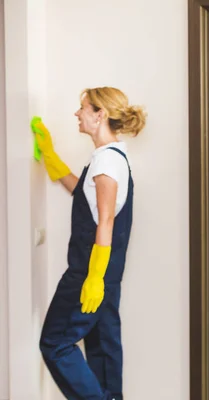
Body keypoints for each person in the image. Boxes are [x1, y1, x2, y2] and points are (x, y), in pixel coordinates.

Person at [32, 87, 146, 400]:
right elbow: (87, 198)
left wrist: (93, 278)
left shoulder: (107, 163)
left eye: (82, 108)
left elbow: (105, 220)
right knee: (102, 347)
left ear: (100, 115)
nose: (76, 113)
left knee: (55, 343)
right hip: (106, 274)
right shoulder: (111, 157)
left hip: (90, 272)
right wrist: (52, 159)